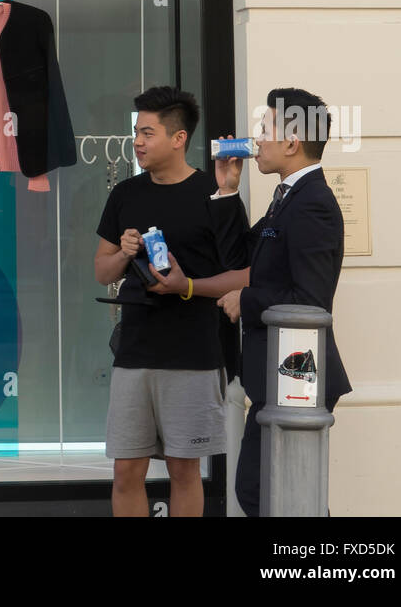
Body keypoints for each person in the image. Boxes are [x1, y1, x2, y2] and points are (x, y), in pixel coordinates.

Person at [94, 86, 250, 517]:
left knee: (185, 470)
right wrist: (123, 253)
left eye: (147, 132)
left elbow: (244, 274)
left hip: (194, 352)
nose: (137, 142)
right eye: (136, 133)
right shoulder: (125, 194)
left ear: (178, 138)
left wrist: (186, 286)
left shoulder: (214, 192)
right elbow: (101, 271)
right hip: (135, 351)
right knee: (126, 470)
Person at [216, 87, 351, 517]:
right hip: (279, 380)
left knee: (280, 495)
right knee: (278, 495)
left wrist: (247, 299)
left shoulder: (312, 205)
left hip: (296, 380)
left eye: (265, 128)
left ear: (292, 143)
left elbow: (309, 301)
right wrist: (227, 192)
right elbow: (242, 254)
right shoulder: (288, 199)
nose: (257, 138)